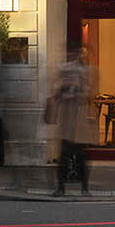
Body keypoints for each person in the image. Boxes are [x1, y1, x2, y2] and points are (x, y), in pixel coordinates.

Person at [46, 46, 96, 196]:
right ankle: (62, 188)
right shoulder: (62, 71)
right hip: (66, 118)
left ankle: (83, 188)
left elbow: (87, 94)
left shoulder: (84, 72)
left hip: (78, 119)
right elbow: (55, 92)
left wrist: (76, 91)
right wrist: (64, 90)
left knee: (80, 155)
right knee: (65, 155)